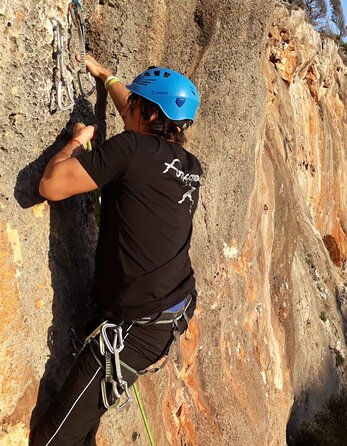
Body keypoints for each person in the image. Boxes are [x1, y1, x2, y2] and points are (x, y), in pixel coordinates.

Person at [31, 56, 202, 446]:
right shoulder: (189, 165)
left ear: (148, 111)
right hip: (168, 311)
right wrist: (107, 77)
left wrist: (76, 140)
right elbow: (134, 110)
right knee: (82, 424)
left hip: (133, 330)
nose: (130, 108)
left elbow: (51, 186)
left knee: (52, 440)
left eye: (136, 103)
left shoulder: (131, 149)